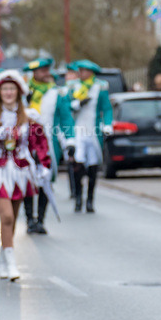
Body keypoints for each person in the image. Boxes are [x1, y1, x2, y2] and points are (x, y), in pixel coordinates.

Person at [0, 70, 53, 279]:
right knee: (6, 216)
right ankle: (11, 262)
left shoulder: (29, 118)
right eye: (5, 89)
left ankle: (2, 260)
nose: (8, 93)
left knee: (13, 219)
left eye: (12, 89)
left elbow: (40, 143)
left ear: (19, 92)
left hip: (20, 171)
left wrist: (44, 165)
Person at [60, 60, 111, 213]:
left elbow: (107, 108)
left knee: (93, 167)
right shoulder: (73, 87)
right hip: (77, 132)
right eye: (80, 70)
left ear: (91, 73)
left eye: (84, 71)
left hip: (93, 132)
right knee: (77, 166)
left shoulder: (99, 87)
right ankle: (78, 199)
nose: (81, 73)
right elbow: (65, 107)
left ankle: (90, 201)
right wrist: (77, 104)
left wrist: (107, 125)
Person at [22, 57, 66, 234]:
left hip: (47, 143)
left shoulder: (56, 93)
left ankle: (40, 220)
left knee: (45, 181)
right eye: (42, 71)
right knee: (26, 180)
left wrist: (68, 141)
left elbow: (65, 118)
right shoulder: (24, 92)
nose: (46, 74)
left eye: (47, 70)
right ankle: (29, 220)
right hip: (25, 143)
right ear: (34, 74)